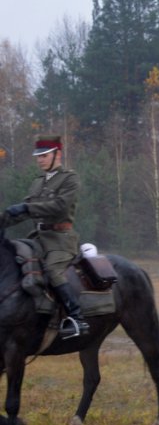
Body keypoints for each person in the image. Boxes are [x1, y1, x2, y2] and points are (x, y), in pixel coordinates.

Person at [0, 135, 90, 338]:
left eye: (44, 155)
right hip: (38, 238)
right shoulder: (38, 182)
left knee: (52, 270)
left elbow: (59, 206)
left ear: (57, 154)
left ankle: (76, 318)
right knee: (17, 265)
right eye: (38, 156)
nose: (39, 160)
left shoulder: (69, 178)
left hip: (61, 239)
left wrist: (26, 207)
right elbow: (23, 213)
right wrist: (4, 219)